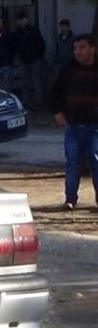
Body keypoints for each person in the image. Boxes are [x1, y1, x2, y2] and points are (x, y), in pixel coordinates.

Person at [50, 34, 98, 210]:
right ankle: (70, 199)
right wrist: (58, 112)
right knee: (72, 162)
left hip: (94, 126)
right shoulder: (67, 70)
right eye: (75, 48)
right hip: (73, 124)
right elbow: (55, 92)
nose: (78, 51)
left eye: (82, 47)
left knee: (96, 161)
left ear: (92, 48)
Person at [12, 11, 46, 110]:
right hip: (25, 59)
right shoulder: (19, 32)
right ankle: (27, 102)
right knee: (26, 82)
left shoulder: (33, 30)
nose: (19, 23)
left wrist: (38, 56)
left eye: (20, 21)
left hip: (34, 59)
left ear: (24, 20)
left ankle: (38, 102)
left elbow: (41, 45)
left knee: (36, 81)